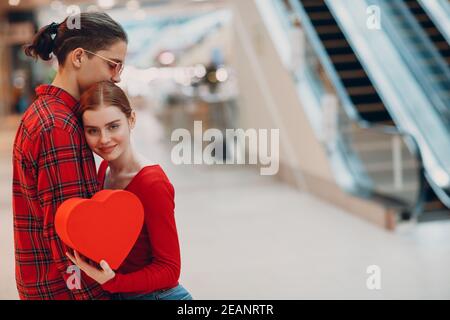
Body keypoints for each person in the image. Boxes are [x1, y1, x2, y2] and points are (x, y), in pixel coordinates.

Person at [12, 12, 128, 300]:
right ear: (79, 57)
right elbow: (69, 236)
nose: (116, 76)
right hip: (63, 292)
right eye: (112, 64)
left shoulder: (49, 113)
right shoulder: (58, 127)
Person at [66, 81, 192, 300]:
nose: (104, 139)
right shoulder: (104, 169)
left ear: (131, 119)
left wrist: (114, 282)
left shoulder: (152, 183)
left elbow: (170, 269)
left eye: (113, 126)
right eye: (93, 131)